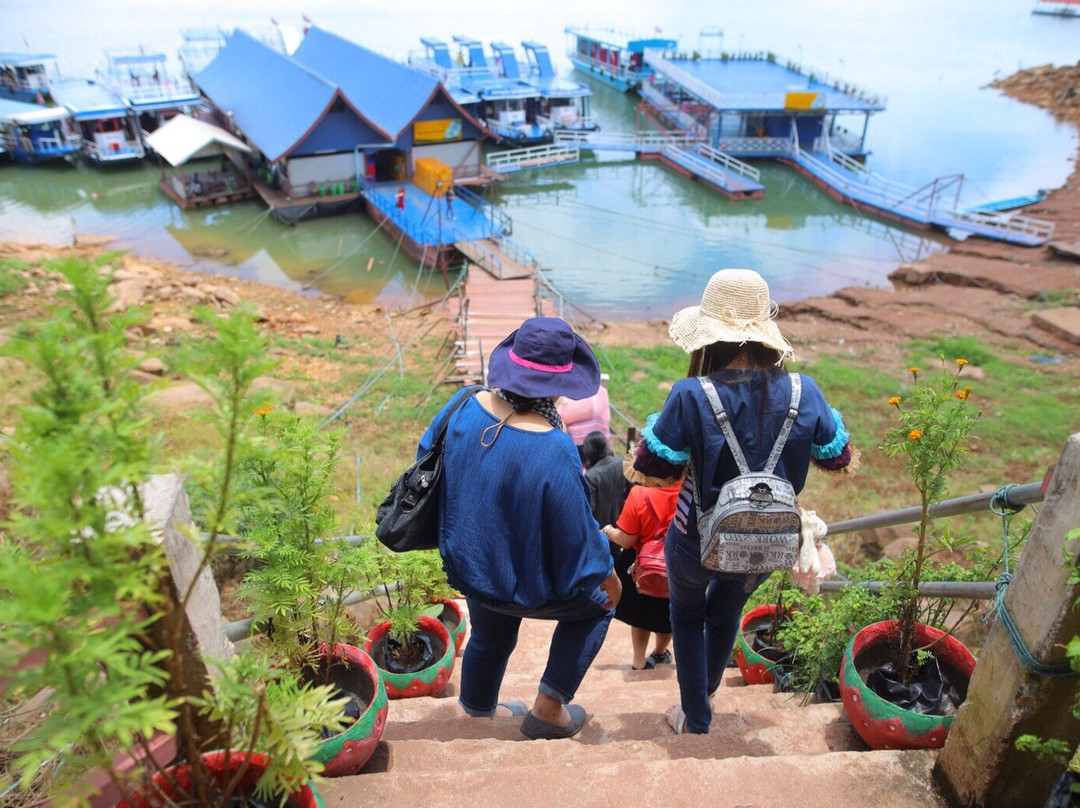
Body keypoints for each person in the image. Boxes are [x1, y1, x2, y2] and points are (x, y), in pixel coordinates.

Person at [628, 269, 856, 735]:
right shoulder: (803, 390)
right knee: (727, 612)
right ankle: (704, 701)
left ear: (709, 337)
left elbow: (654, 467)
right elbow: (839, 457)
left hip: (695, 537)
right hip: (768, 538)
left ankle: (696, 717)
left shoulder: (691, 394)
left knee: (687, 619)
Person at [417, 317, 622, 740]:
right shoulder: (555, 447)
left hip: (471, 566)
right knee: (602, 602)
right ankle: (548, 710)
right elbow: (577, 541)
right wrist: (608, 574)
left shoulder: (462, 404)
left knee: (490, 634)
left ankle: (476, 712)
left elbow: (427, 460)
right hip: (523, 581)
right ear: (559, 383)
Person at [601, 480, 681, 670]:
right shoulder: (689, 490)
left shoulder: (640, 493)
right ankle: (660, 653)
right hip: (677, 563)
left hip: (641, 564)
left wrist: (608, 531)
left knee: (640, 612)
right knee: (667, 612)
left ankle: (639, 662)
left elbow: (626, 540)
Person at [580, 431, 628, 559]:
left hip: (602, 533)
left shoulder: (591, 476)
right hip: (623, 528)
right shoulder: (622, 462)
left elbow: (589, 510)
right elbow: (632, 492)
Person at [556, 379, 611, 451]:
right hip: (602, 444)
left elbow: (560, 418)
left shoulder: (565, 399)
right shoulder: (602, 391)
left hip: (578, 448)